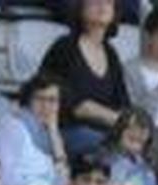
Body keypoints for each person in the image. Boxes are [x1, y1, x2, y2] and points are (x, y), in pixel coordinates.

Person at [35, 0, 130, 156]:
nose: (103, 6)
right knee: (110, 146)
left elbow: (123, 102)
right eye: (95, 1)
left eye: (108, 2)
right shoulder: (65, 47)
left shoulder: (111, 53)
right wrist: (119, 121)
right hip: (64, 131)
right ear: (80, 7)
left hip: (104, 131)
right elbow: (76, 106)